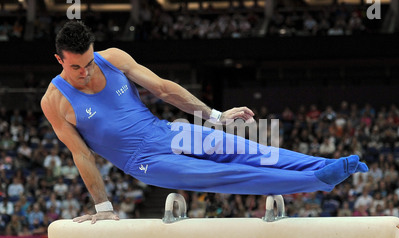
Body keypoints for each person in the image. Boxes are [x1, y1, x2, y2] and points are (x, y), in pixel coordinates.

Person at [40, 20, 369, 223]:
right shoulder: (55, 101)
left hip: (167, 132)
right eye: (75, 68)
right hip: (144, 162)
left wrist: (215, 116)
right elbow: (82, 154)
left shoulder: (112, 59)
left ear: (93, 51)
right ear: (59, 60)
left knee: (249, 148)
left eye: (87, 64)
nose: (84, 73)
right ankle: (316, 181)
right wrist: (103, 207)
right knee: (222, 175)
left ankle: (327, 166)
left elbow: (164, 89)